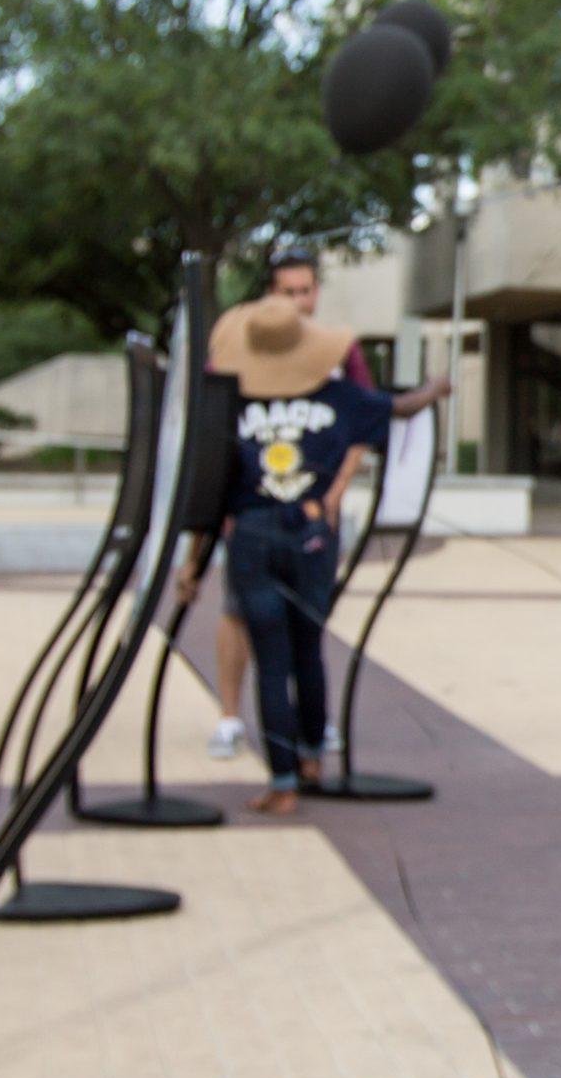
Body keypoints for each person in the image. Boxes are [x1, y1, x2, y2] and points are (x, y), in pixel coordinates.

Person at [180, 296, 447, 814]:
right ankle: (310, 759)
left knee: (271, 660)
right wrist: (436, 387)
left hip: (252, 536)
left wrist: (193, 559)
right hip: (313, 532)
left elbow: (209, 492)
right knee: (309, 649)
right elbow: (402, 407)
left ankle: (281, 782)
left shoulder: (232, 404)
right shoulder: (340, 397)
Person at [207, 248, 374, 760]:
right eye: (287, 292)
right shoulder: (237, 349)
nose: (299, 301)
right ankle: (232, 717)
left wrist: (335, 492)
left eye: (306, 291)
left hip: (312, 512)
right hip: (255, 513)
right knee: (239, 611)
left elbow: (364, 424)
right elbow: (215, 432)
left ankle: (309, 732)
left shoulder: (338, 351)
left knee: (306, 621)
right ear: (270, 294)